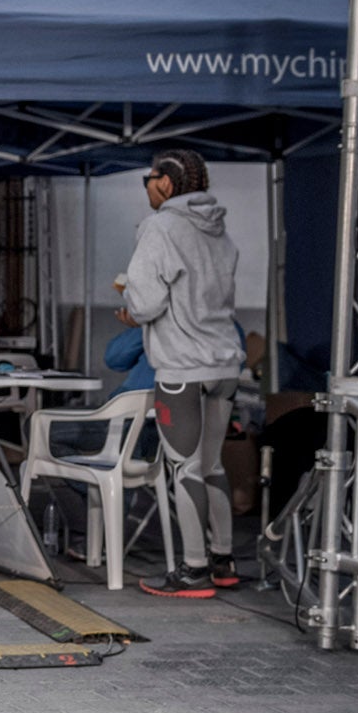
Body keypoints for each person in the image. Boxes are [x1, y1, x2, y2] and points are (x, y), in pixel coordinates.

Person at [118, 149, 245, 598]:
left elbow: (148, 302)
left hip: (182, 368)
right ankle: (224, 559)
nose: (147, 188)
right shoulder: (219, 231)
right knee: (212, 465)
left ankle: (193, 570)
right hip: (225, 362)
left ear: (166, 184)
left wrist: (131, 313)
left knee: (185, 469)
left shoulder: (160, 227)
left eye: (148, 180)